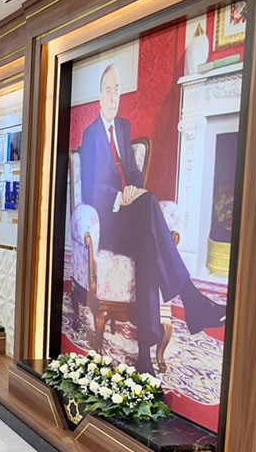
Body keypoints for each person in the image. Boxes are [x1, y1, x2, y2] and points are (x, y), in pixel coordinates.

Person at [80, 64, 226, 373]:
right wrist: (120, 197)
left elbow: (133, 172)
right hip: (108, 223)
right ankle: (191, 298)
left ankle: (145, 357)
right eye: (108, 91)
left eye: (117, 90)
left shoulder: (123, 127)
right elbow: (89, 190)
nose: (113, 97)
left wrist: (134, 188)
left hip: (132, 218)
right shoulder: (90, 135)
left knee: (148, 243)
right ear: (99, 96)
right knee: (148, 204)